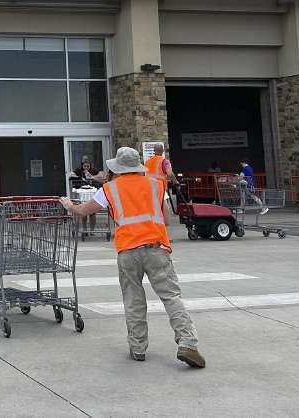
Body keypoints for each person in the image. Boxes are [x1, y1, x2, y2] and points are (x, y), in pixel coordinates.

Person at [59, 147, 204, 368]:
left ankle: (138, 348)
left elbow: (84, 212)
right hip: (156, 249)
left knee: (134, 301)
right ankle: (187, 343)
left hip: (127, 251)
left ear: (118, 167)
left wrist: (69, 205)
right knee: (171, 297)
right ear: (138, 167)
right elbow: (166, 220)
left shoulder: (109, 189)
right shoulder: (157, 186)